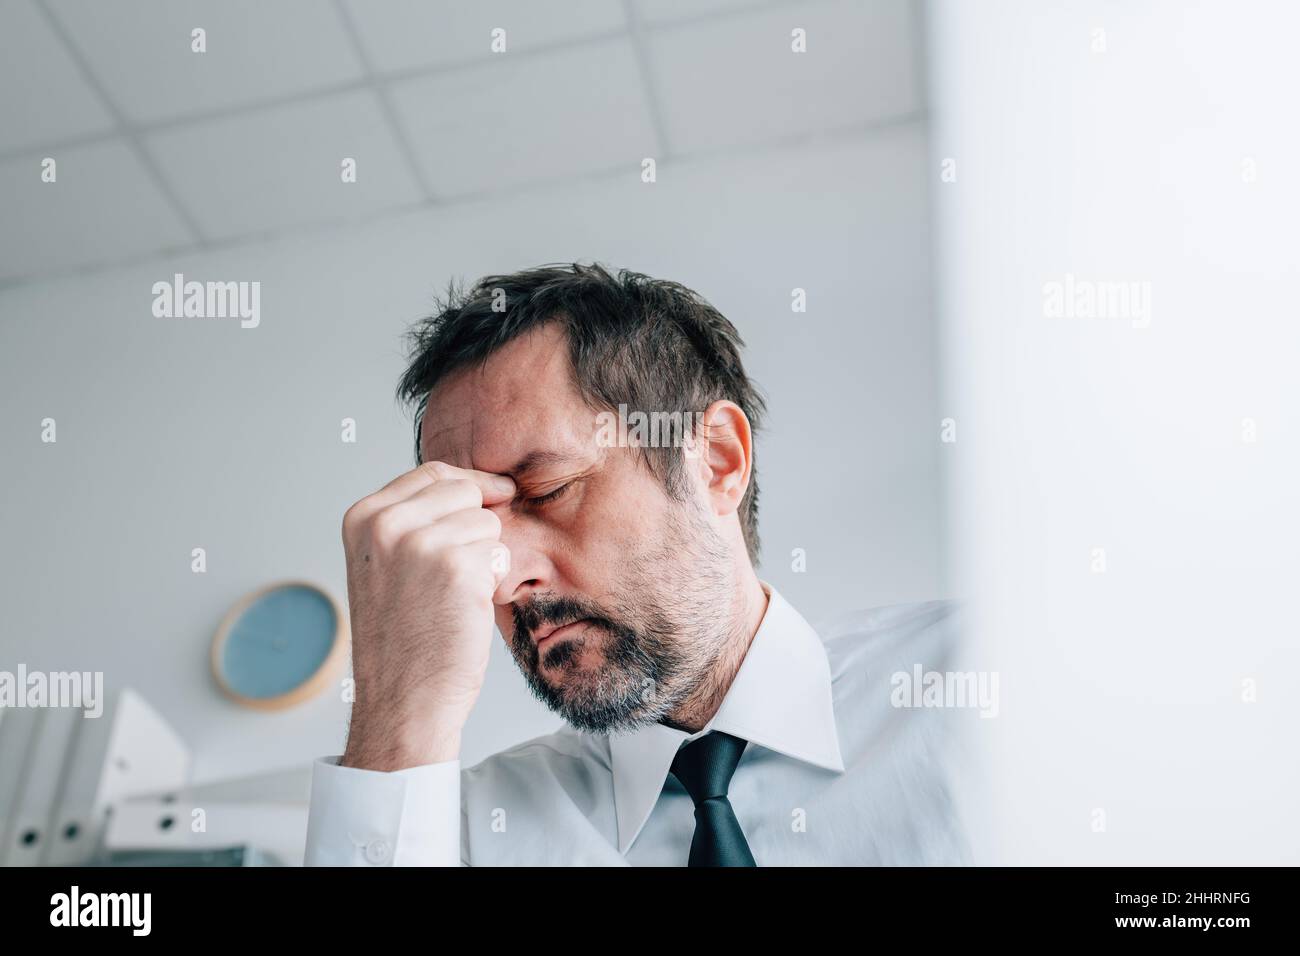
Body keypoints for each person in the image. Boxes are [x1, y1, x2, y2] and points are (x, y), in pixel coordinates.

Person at [304, 263, 969, 866]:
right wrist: (398, 714)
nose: (502, 581)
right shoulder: (455, 835)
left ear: (716, 461)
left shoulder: (986, 683)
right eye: (476, 534)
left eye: (549, 491)